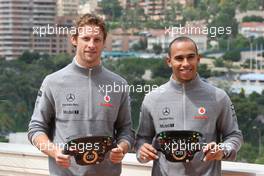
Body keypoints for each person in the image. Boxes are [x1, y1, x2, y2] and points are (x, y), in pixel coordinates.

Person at [28, 13, 134, 176]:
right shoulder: (53, 82)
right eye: (86, 38)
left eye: (97, 40)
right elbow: (36, 129)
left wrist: (122, 148)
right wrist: (54, 152)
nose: (91, 45)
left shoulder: (119, 84)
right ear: (74, 40)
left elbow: (126, 130)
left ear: (104, 43)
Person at [135, 36, 243, 176]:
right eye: (179, 58)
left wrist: (222, 150)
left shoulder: (218, 97)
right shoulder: (152, 99)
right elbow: (142, 139)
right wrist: (142, 150)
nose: (185, 63)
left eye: (190, 57)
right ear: (169, 61)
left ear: (198, 59)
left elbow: (234, 135)